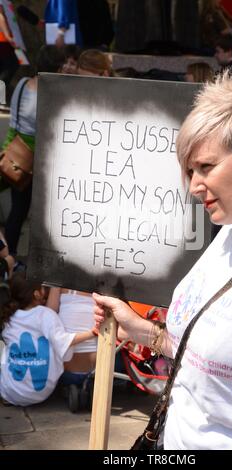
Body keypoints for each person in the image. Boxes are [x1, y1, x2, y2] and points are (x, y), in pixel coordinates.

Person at [94, 66, 232, 450]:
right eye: (190, 171)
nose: (192, 187)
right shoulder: (228, 233)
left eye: (206, 167)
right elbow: (210, 357)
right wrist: (141, 331)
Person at [2, 45, 65, 258]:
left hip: (17, 156)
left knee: (17, 213)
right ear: (57, 68)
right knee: (39, 217)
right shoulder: (52, 94)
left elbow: (14, 122)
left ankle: (9, 259)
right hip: (37, 161)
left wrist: (7, 147)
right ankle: (32, 261)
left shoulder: (21, 83)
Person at [0, 273, 97, 406]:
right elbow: (63, 341)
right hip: (41, 394)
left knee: (6, 348)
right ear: (37, 294)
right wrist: (93, 332)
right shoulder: (46, 314)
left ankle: (16, 378)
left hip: (8, 393)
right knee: (49, 342)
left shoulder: (9, 317)